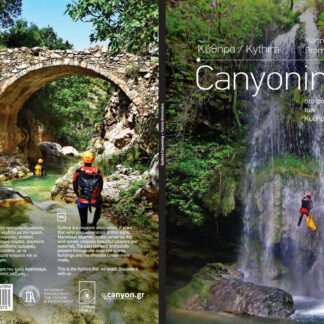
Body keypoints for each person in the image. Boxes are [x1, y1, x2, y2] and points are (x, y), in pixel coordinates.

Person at [73, 151, 103, 233]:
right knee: (100, 203)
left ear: (83, 160)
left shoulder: (78, 171)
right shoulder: (98, 172)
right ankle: (94, 224)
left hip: (82, 200)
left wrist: (78, 195)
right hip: (95, 200)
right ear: (92, 160)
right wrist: (96, 196)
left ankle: (83, 228)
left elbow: (75, 187)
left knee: (81, 203)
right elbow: (101, 188)